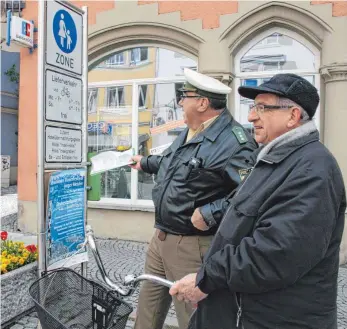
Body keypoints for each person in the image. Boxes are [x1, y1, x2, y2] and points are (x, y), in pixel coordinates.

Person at [169, 73, 347, 329]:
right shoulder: (274, 159)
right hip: (240, 312)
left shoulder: (313, 168)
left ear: (293, 116)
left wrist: (207, 278)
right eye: (254, 107)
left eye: (263, 108)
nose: (252, 116)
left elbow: (276, 254)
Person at [129, 68, 257, 329]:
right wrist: (145, 163)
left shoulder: (235, 142)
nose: (179, 102)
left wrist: (213, 212)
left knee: (194, 319)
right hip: (161, 238)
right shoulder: (192, 130)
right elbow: (172, 163)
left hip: (191, 246)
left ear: (202, 103)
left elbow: (252, 193)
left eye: (184, 96)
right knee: (147, 314)